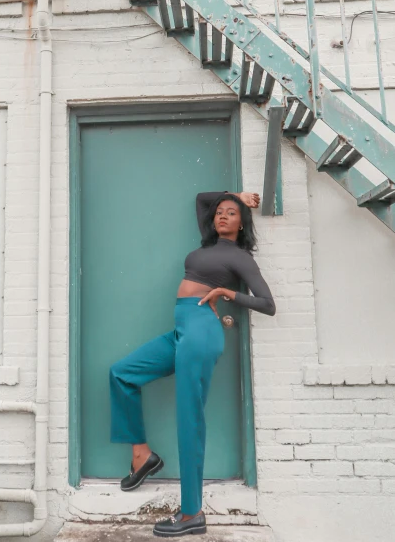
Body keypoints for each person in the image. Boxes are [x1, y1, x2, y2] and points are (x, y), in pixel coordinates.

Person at [109, 190, 275, 537]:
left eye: (232, 213)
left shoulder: (240, 256)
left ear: (242, 224)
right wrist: (236, 194)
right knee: (122, 374)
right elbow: (202, 199)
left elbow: (267, 303)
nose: (222, 215)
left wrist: (226, 293)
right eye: (221, 212)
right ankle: (143, 455)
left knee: (189, 420)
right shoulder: (207, 244)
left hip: (201, 332)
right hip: (182, 330)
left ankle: (191, 513)